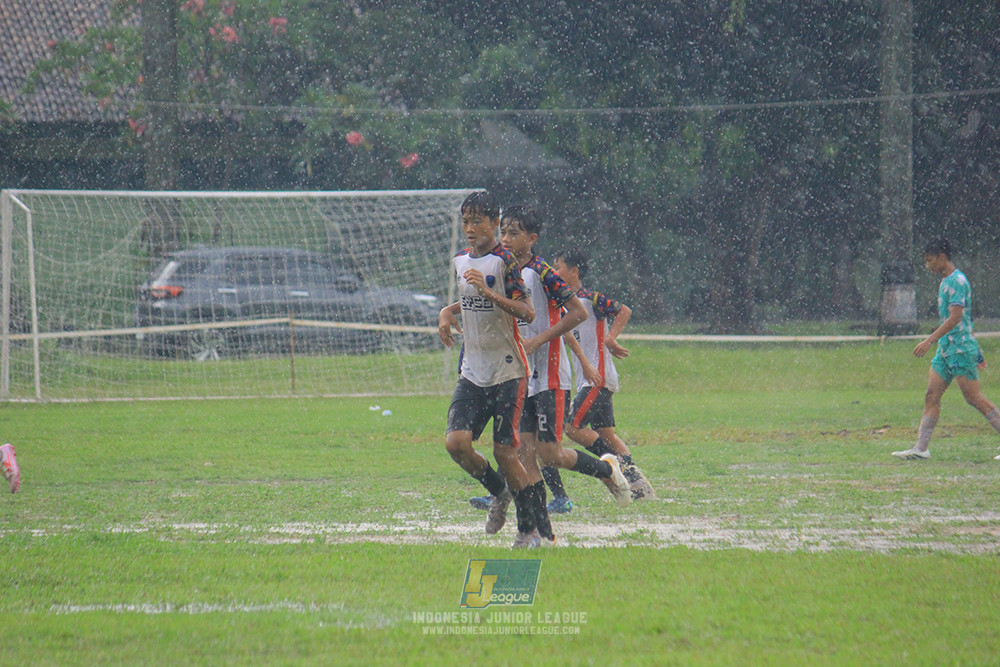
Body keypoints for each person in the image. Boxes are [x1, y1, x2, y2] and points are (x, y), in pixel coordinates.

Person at [467, 206, 632, 533]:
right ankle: (544, 533)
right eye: (504, 233)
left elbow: (576, 314)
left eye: (513, 234)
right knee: (526, 459)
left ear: (532, 239)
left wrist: (537, 341)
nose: (505, 239)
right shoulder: (504, 270)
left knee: (551, 454)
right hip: (520, 378)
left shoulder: (544, 273)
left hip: (551, 378)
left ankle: (607, 469)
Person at [438, 191, 545, 548]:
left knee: (504, 452)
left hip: (507, 372)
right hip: (472, 370)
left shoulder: (505, 263)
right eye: (465, 221)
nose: (469, 229)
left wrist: (490, 294)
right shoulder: (459, 261)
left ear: (494, 223)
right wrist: (445, 314)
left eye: (477, 221)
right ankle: (499, 494)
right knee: (456, 443)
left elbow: (527, 312)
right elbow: (467, 296)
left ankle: (527, 529)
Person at [551, 249, 655, 497]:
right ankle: (638, 485)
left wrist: (610, 337)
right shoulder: (564, 306)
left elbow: (624, 310)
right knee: (607, 435)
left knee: (572, 427)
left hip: (597, 378)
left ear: (574, 271)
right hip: (595, 380)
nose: (554, 272)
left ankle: (612, 467)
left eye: (559, 266)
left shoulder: (590, 299)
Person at [893, 238, 1000, 461]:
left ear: (942, 257)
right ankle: (921, 448)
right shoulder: (945, 282)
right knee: (931, 395)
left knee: (974, 398)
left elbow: (956, 318)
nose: (927, 265)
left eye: (929, 260)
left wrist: (929, 340)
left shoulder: (958, 281)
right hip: (946, 351)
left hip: (960, 350)